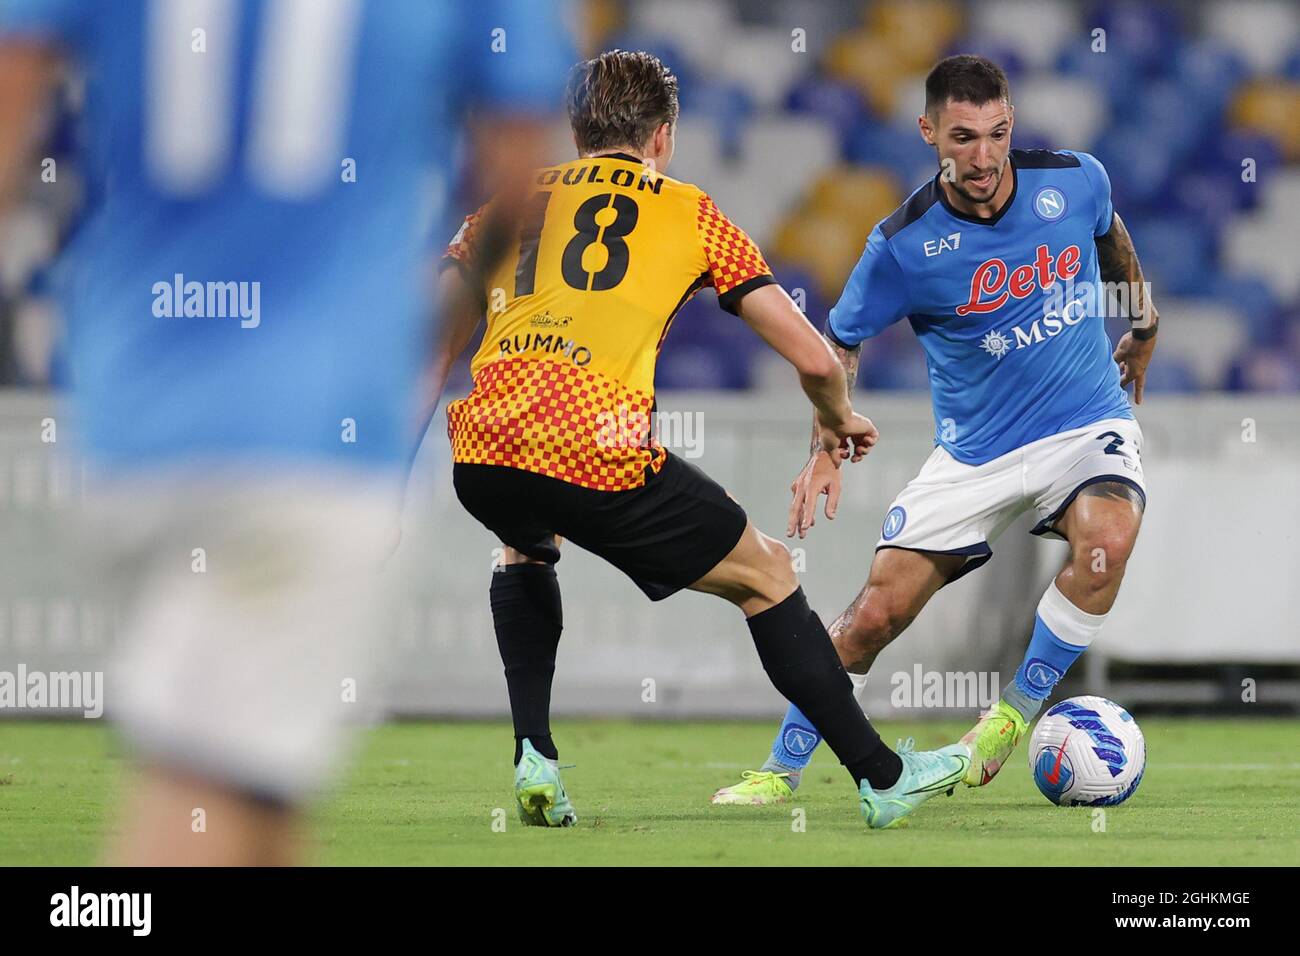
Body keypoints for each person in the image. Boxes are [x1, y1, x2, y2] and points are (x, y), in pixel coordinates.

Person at [0, 0, 571, 864]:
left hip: (124, 416)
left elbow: (16, 89)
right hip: (311, 427)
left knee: (257, 795)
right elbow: (518, 160)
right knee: (199, 793)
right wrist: (424, 324)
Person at [431, 50, 970, 831]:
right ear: (664, 134)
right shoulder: (687, 209)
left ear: (577, 130)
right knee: (768, 575)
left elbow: (431, 347)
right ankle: (882, 776)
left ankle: (535, 754)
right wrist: (837, 416)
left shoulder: (502, 207)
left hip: (484, 449)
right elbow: (816, 357)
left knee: (524, 542)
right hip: (593, 443)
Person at [712, 54, 1159, 805]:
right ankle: (779, 770)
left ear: (1011, 123)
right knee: (870, 617)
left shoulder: (1076, 178)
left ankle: (1009, 719)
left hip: (1084, 425)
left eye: (996, 134)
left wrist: (1142, 321)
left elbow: (1111, 237)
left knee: (1108, 543)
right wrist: (826, 442)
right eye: (963, 137)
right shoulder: (903, 245)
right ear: (928, 132)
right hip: (974, 455)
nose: (983, 157)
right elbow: (839, 344)